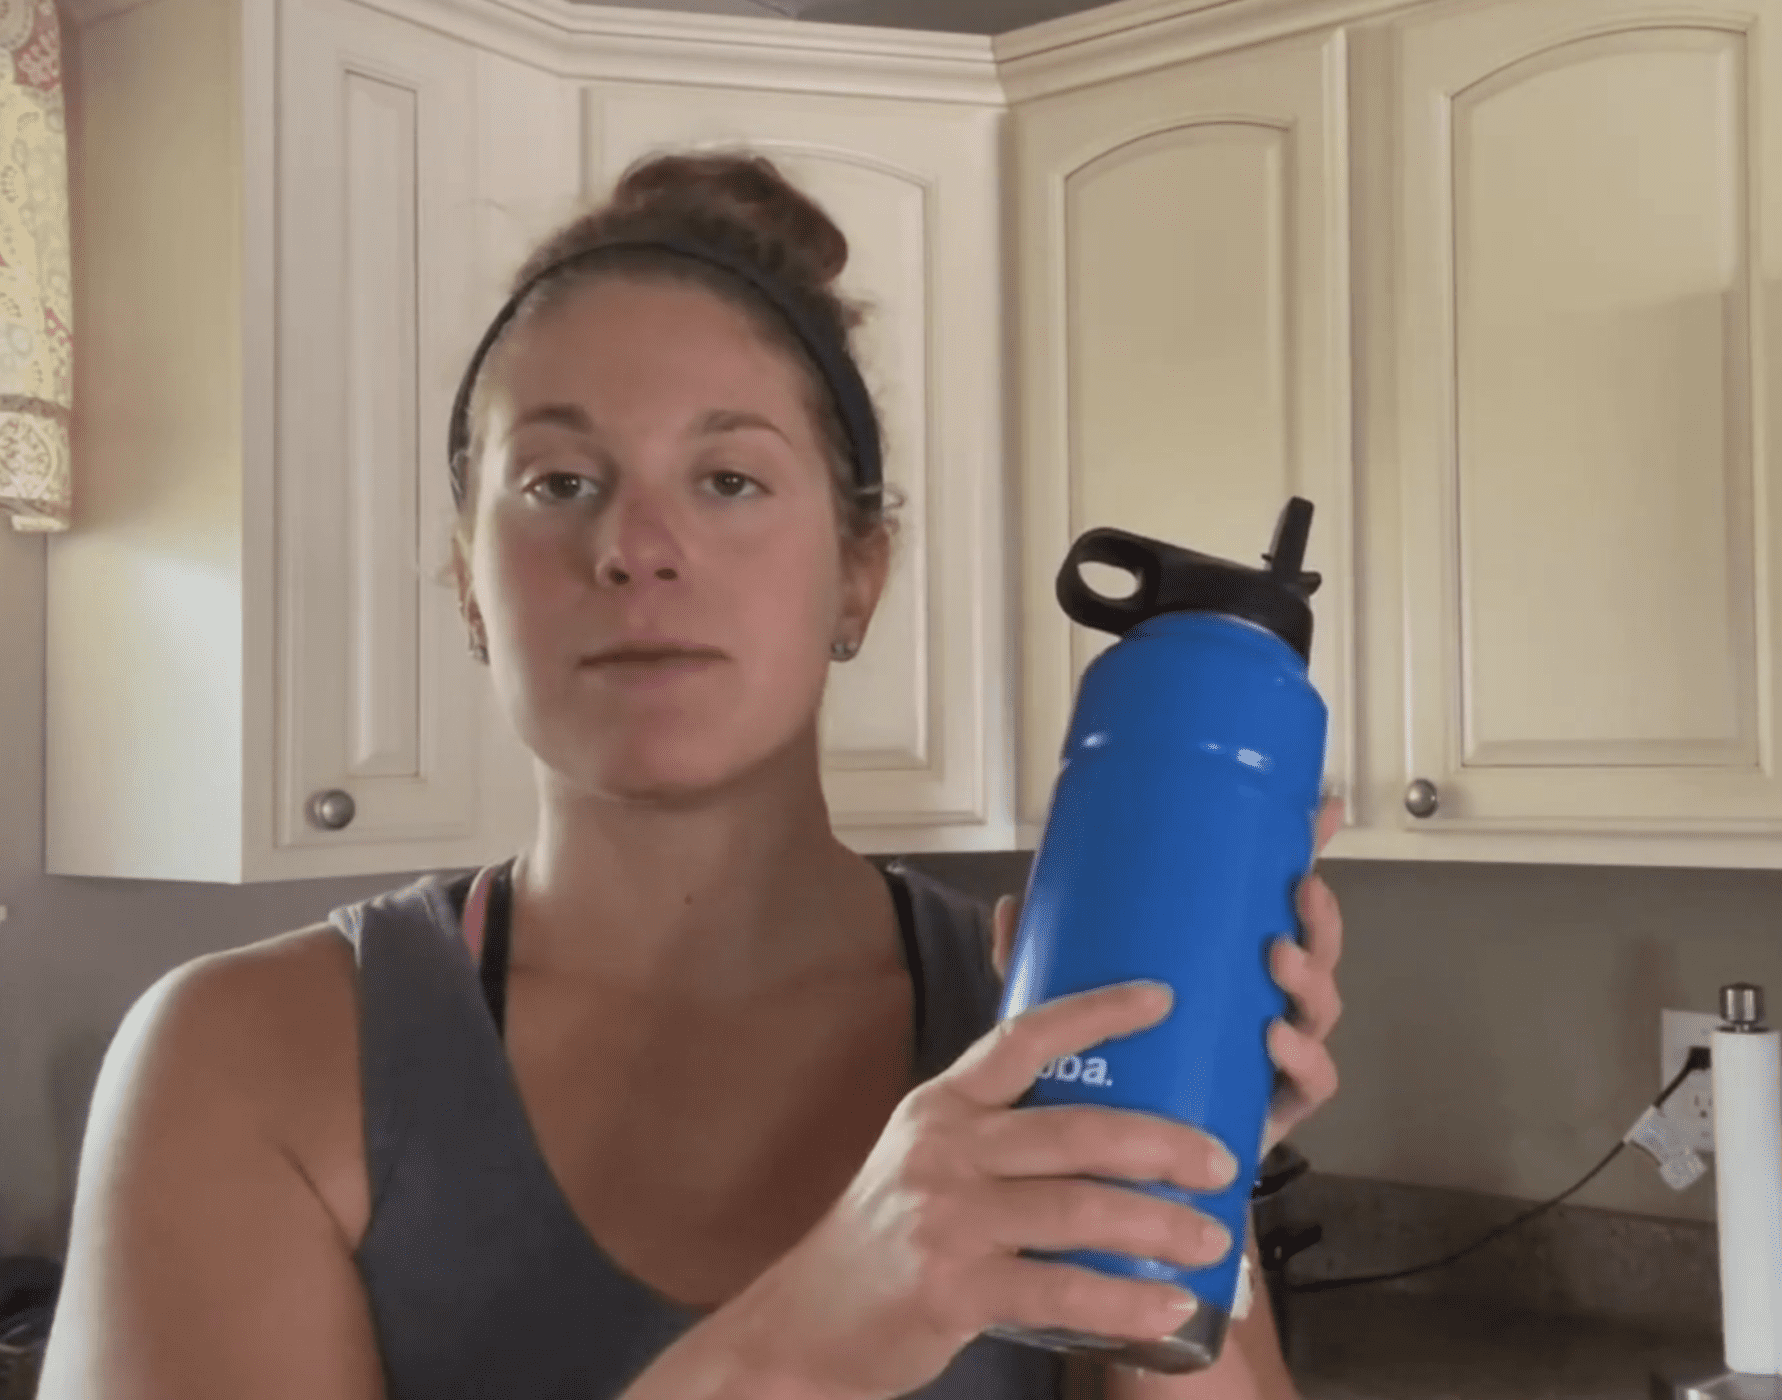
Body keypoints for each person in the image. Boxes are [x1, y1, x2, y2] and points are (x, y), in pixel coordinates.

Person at [36, 150, 1346, 1400]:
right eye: (556, 482)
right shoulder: (242, 1062)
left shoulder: (1041, 1035)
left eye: (727, 478)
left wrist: (1183, 1174)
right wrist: (798, 1351)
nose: (634, 546)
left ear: (858, 573)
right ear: (467, 588)